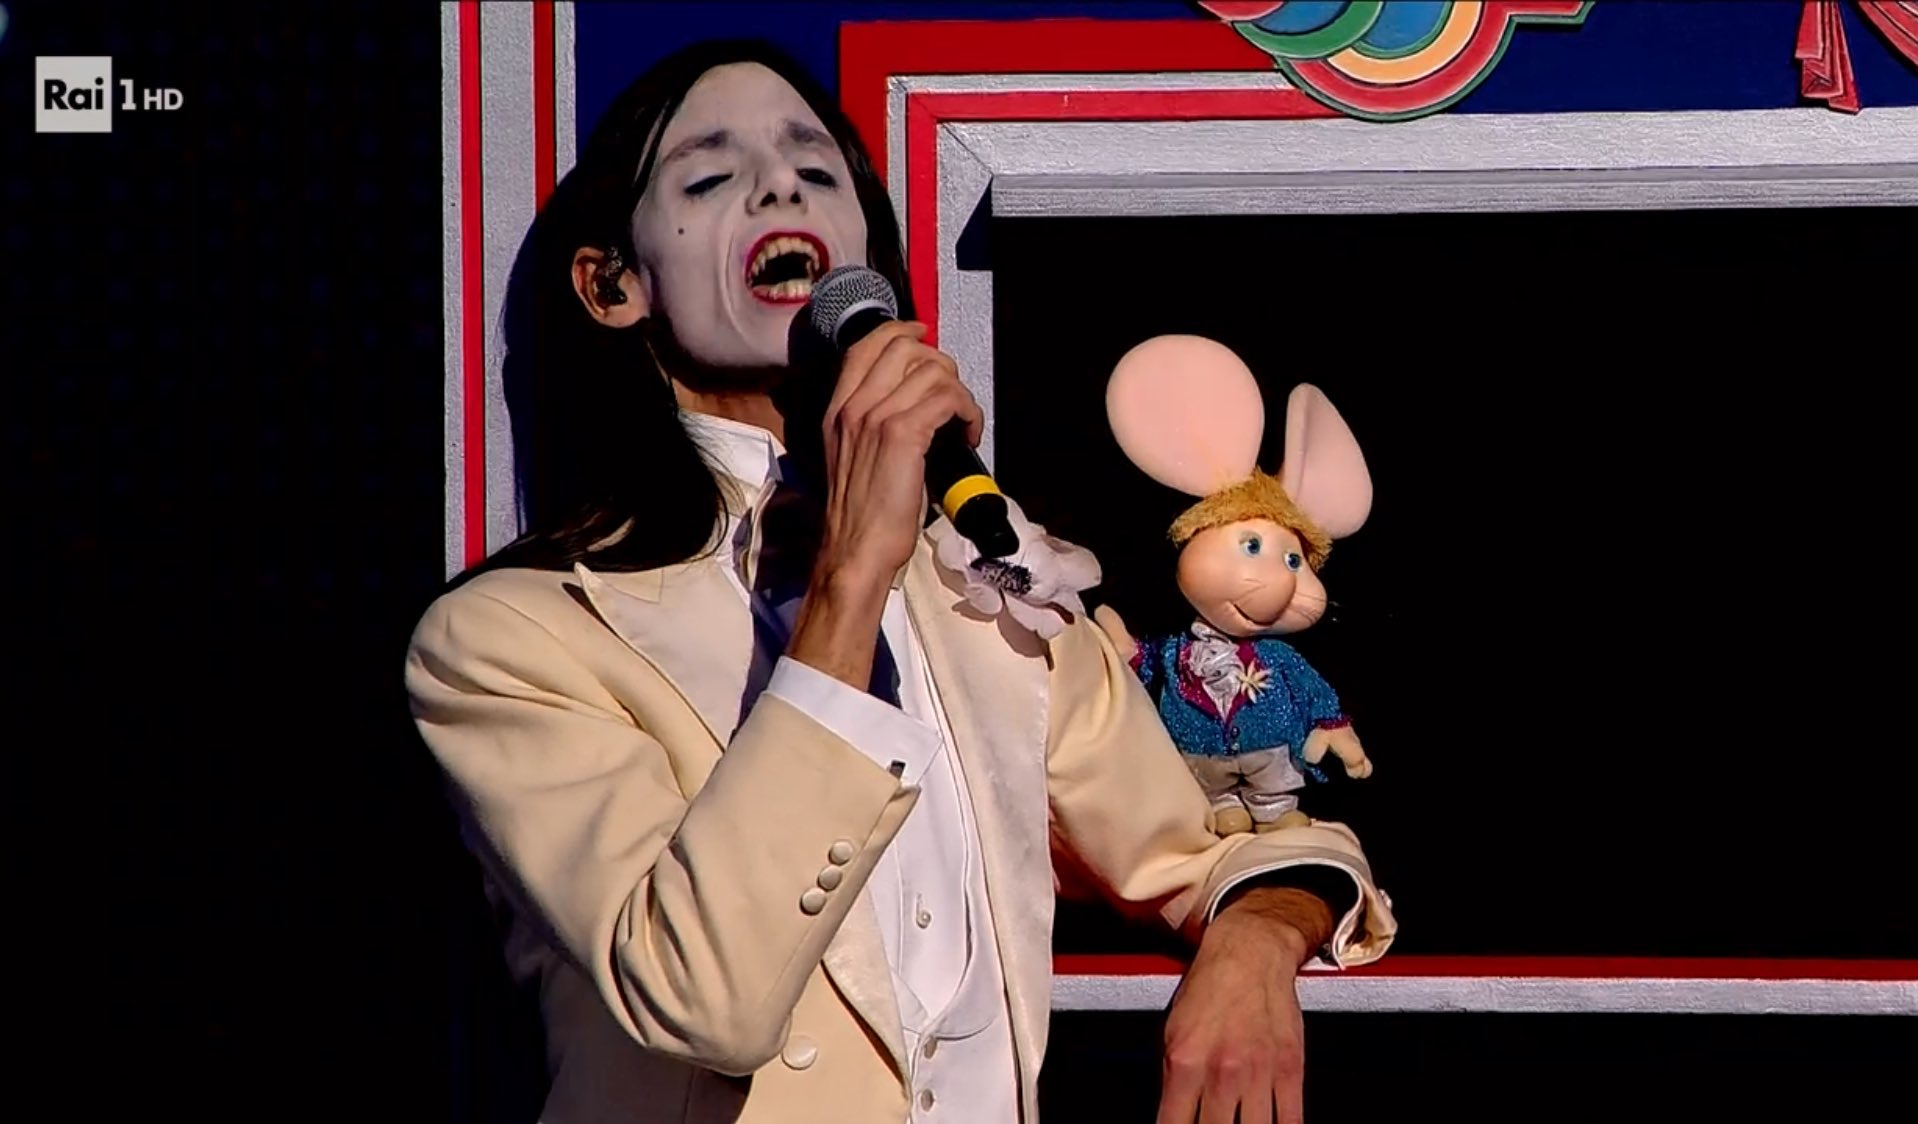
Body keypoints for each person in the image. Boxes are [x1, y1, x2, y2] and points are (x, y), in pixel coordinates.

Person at [406, 38, 1396, 1124]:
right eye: (710, 175)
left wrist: (1259, 938)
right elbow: (704, 998)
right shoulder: (509, 641)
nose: (780, 188)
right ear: (611, 286)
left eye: (815, 169)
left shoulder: (983, 591)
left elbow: (1201, 850)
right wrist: (850, 577)